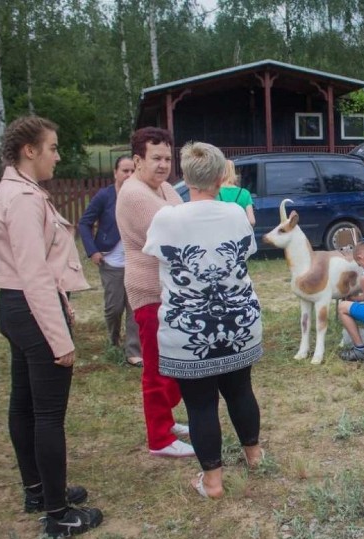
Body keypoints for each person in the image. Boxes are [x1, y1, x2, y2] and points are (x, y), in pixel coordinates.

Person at [0, 115, 102, 539]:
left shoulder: (19, 191)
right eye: (52, 147)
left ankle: (38, 490)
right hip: (31, 307)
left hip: (17, 306)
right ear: (29, 151)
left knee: (25, 404)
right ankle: (58, 514)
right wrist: (59, 337)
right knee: (48, 414)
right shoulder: (22, 199)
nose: (58, 155)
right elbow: (35, 274)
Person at [143, 142, 264, 499]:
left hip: (188, 329)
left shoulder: (167, 217)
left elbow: (153, 255)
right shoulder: (235, 214)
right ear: (220, 177)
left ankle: (212, 482)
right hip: (239, 321)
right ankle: (254, 456)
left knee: (200, 404)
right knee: (241, 389)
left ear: (185, 176)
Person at [116, 127, 194, 458]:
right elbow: (177, 231)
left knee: (173, 360)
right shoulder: (134, 194)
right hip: (149, 291)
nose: (163, 165)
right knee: (156, 366)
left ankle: (167, 419)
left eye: (167, 158)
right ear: (138, 160)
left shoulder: (162, 188)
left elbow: (185, 220)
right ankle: (159, 439)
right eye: (155, 158)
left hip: (170, 291)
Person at [78, 156, 143, 366]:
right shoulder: (105, 196)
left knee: (134, 307)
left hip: (136, 261)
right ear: (115, 173)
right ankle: (114, 341)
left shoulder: (141, 195)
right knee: (114, 307)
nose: (129, 175)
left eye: (133, 171)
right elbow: (84, 223)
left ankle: (134, 351)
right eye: (125, 171)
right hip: (111, 261)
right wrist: (93, 251)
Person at [215, 159, 256, 226]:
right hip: (239, 234)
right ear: (234, 172)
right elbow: (252, 221)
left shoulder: (214, 193)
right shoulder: (244, 193)